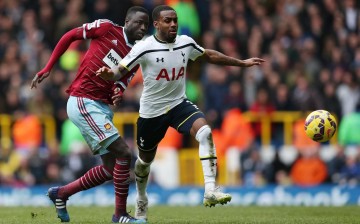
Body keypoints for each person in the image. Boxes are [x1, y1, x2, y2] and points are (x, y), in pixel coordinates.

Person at [96, 5, 264, 221]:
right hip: (152, 112)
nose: (173, 24)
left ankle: (210, 190)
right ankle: (141, 198)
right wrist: (109, 75)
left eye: (175, 20)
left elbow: (208, 55)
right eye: (168, 21)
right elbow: (119, 70)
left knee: (204, 132)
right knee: (144, 161)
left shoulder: (185, 42)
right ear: (156, 24)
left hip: (178, 104)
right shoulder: (145, 47)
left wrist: (240, 63)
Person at [31, 6, 149, 223]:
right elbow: (70, 35)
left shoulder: (136, 54)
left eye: (146, 25)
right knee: (124, 153)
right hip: (84, 100)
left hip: (101, 107)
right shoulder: (106, 28)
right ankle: (119, 215)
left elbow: (121, 81)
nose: (142, 28)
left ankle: (62, 193)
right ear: (127, 20)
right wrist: (49, 67)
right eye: (139, 23)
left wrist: (117, 93)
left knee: (110, 168)